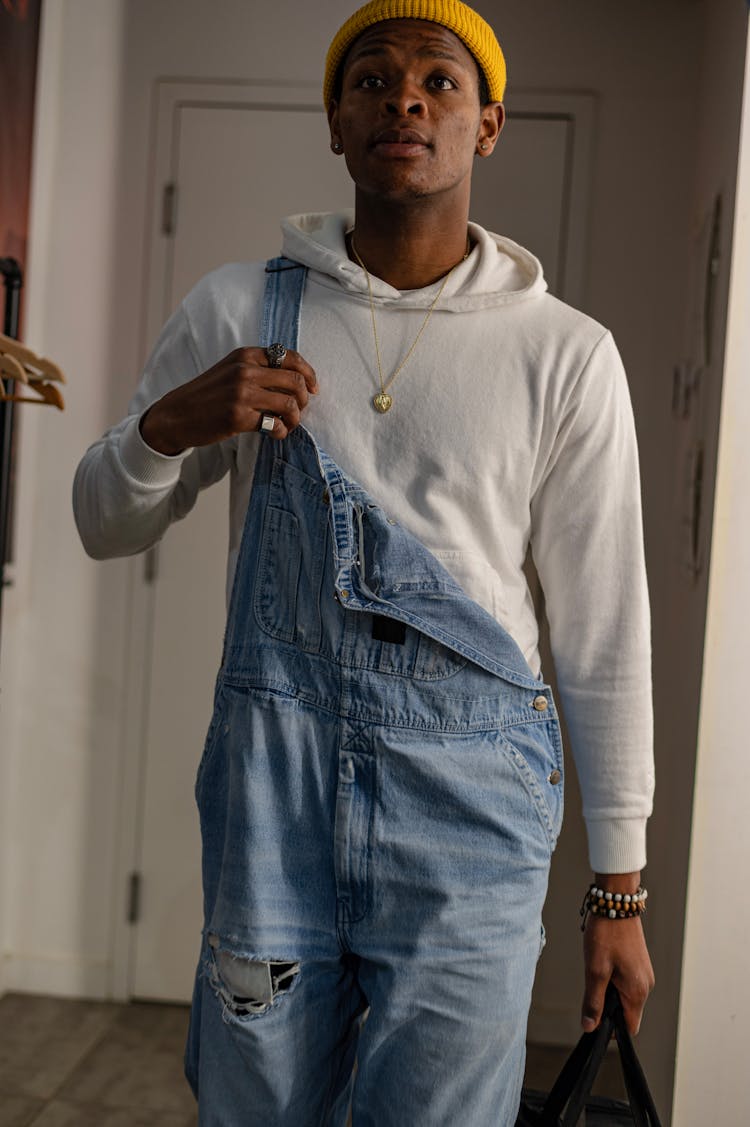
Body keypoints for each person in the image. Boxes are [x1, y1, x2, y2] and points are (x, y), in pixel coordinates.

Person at [73, 1, 655, 1122]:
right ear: (336, 123)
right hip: (271, 800)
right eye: (374, 80)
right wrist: (167, 428)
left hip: (471, 821)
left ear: (486, 125)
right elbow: (104, 521)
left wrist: (617, 884)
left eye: (439, 81)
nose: (406, 99)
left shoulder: (564, 353)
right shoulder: (242, 308)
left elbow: (603, 628)